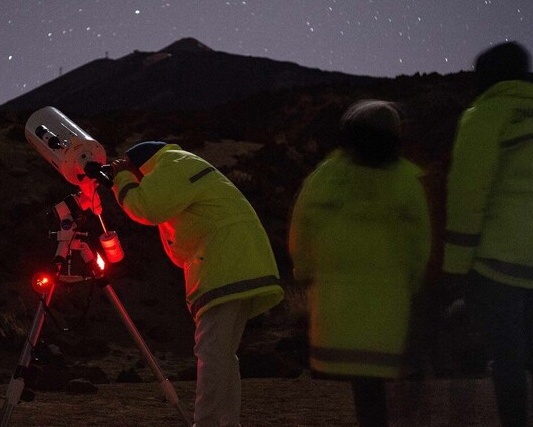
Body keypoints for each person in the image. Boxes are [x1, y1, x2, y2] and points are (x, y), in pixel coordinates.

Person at [109, 141, 284, 427]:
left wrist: (122, 179)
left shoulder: (171, 166)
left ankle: (208, 422)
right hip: (235, 261)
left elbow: (147, 207)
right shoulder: (182, 163)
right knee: (221, 354)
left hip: (226, 263)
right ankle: (226, 422)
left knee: (213, 353)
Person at [289, 100, 431, 427]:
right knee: (378, 385)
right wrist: (415, 282)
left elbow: (302, 229)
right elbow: (421, 241)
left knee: (365, 389)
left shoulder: (326, 177)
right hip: (389, 305)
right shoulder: (409, 181)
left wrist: (305, 273)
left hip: (338, 308)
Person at [443, 41, 533, 427]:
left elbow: (468, 194)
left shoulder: (485, 114)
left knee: (508, 359)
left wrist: (455, 269)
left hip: (500, 264)